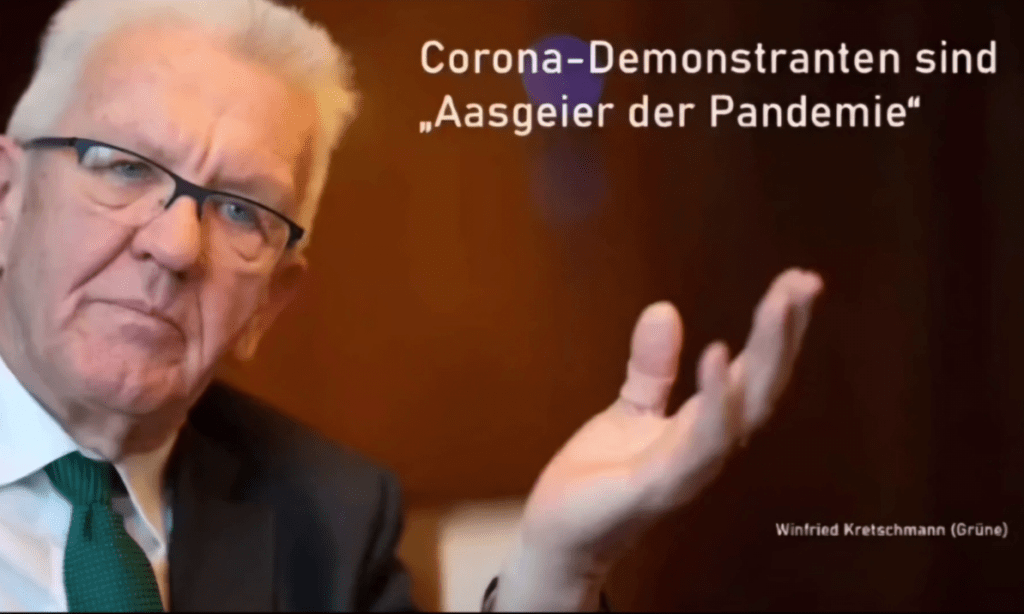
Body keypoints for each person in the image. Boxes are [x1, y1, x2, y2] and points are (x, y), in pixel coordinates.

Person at [0, 0, 823, 611]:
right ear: (7, 194)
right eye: (123, 166)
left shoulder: (326, 515)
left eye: (241, 211)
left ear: (269, 305)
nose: (177, 246)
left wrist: (556, 569)